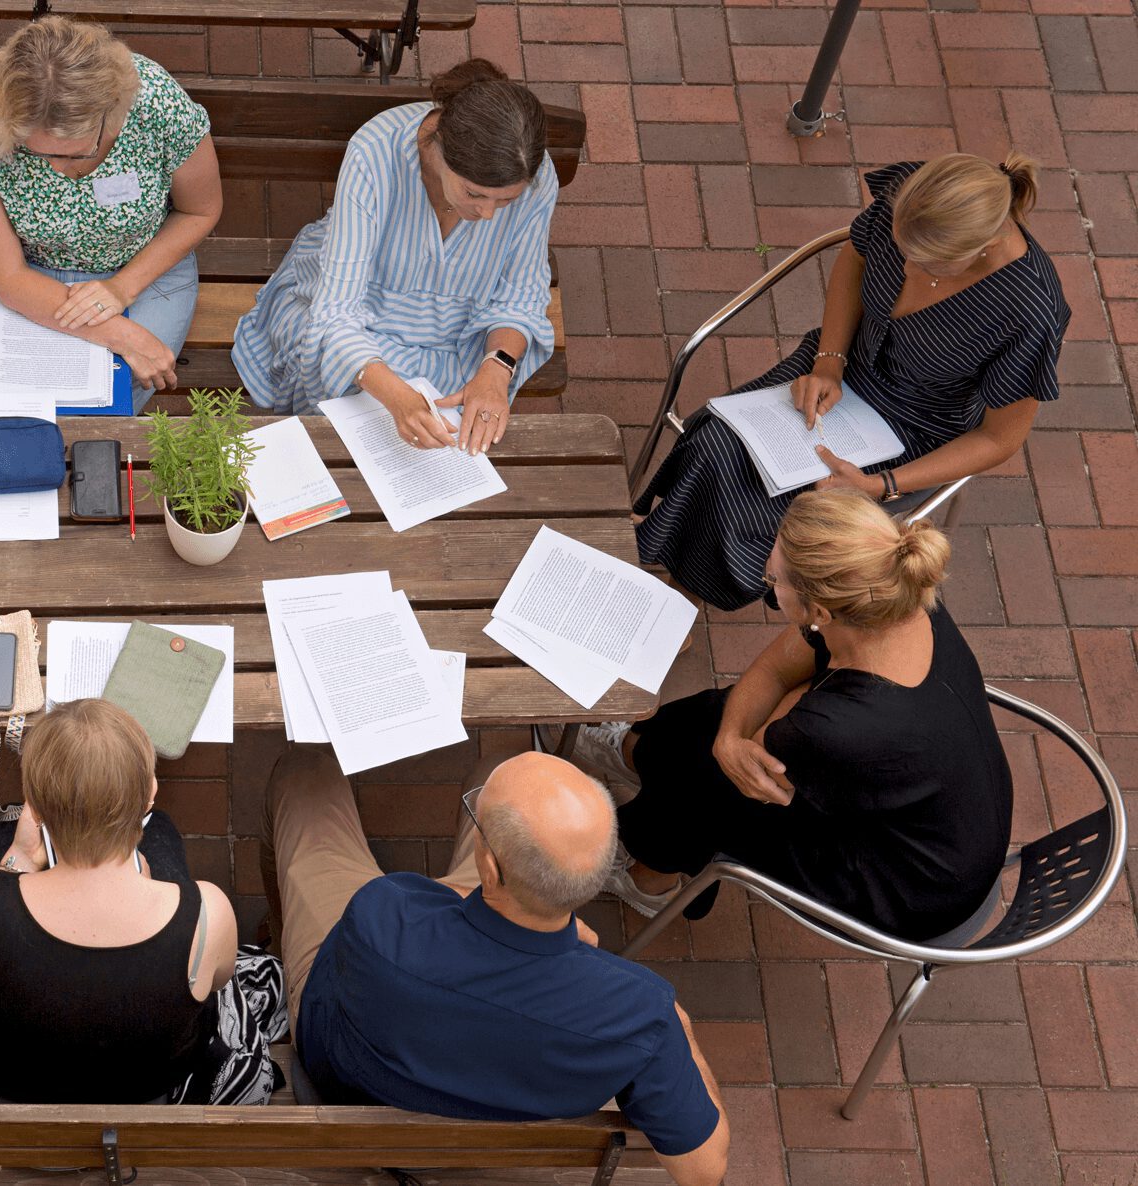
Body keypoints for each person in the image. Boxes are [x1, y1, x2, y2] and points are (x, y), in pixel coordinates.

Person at [262, 746, 729, 1186]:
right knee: (496, 764)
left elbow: (423, 908)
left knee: (303, 774)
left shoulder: (380, 920)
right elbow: (704, 1171)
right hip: (482, 1138)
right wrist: (675, 1024)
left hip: (342, 1080)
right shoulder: (641, 1016)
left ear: (486, 864)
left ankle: (276, 935)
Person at [637, 152, 1070, 610]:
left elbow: (999, 439)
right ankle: (660, 543)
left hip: (913, 436)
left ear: (979, 249)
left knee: (779, 507)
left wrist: (880, 485)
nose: (907, 271)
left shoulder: (1029, 311)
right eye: (903, 253)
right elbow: (854, 258)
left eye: (928, 266)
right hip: (842, 365)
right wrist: (829, 361)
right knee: (718, 440)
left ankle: (682, 597)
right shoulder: (912, 195)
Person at [590, 490, 1014, 942]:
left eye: (773, 584)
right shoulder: (893, 596)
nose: (766, 584)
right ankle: (636, 753)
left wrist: (730, 745)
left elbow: (781, 718)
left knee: (716, 784)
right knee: (723, 733)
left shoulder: (835, 728)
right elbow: (775, 670)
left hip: (904, 884)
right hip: (929, 816)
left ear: (820, 612)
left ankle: (648, 877)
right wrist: (730, 737)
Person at [0, 698, 278, 1105]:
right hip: (144, 1085)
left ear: (37, 809)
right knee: (164, 837)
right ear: (149, 796)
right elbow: (217, 984)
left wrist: (19, 862)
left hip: (9, 1079)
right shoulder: (208, 912)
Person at [231, 59, 557, 457]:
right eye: (474, 194)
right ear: (439, 148)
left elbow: (520, 296)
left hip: (455, 337)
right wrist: (397, 396)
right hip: (356, 318)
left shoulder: (538, 178)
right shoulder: (374, 153)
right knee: (362, 429)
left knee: (441, 439)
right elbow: (336, 312)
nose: (488, 214)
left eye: (507, 200)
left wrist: (496, 369)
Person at [0, 16, 221, 408]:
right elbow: (9, 277)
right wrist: (119, 333)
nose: (59, 170)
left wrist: (120, 288)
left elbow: (200, 212)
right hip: (25, 267)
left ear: (111, 114)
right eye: (38, 152)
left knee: (116, 395)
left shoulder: (157, 103)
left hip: (141, 267)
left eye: (75, 153)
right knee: (25, 398)